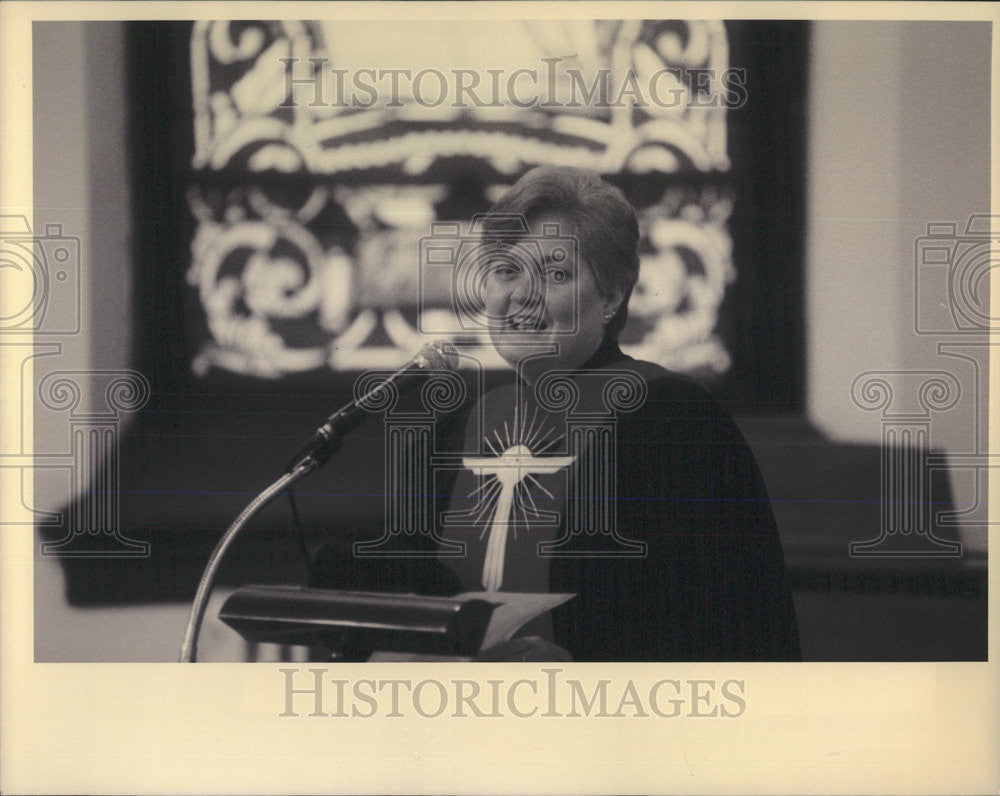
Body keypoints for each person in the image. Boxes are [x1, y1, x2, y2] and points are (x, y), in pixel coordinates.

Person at [311, 165, 801, 662]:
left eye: (556, 273)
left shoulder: (675, 425)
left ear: (610, 296)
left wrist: (576, 671)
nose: (521, 295)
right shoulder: (454, 433)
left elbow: (727, 629)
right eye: (505, 270)